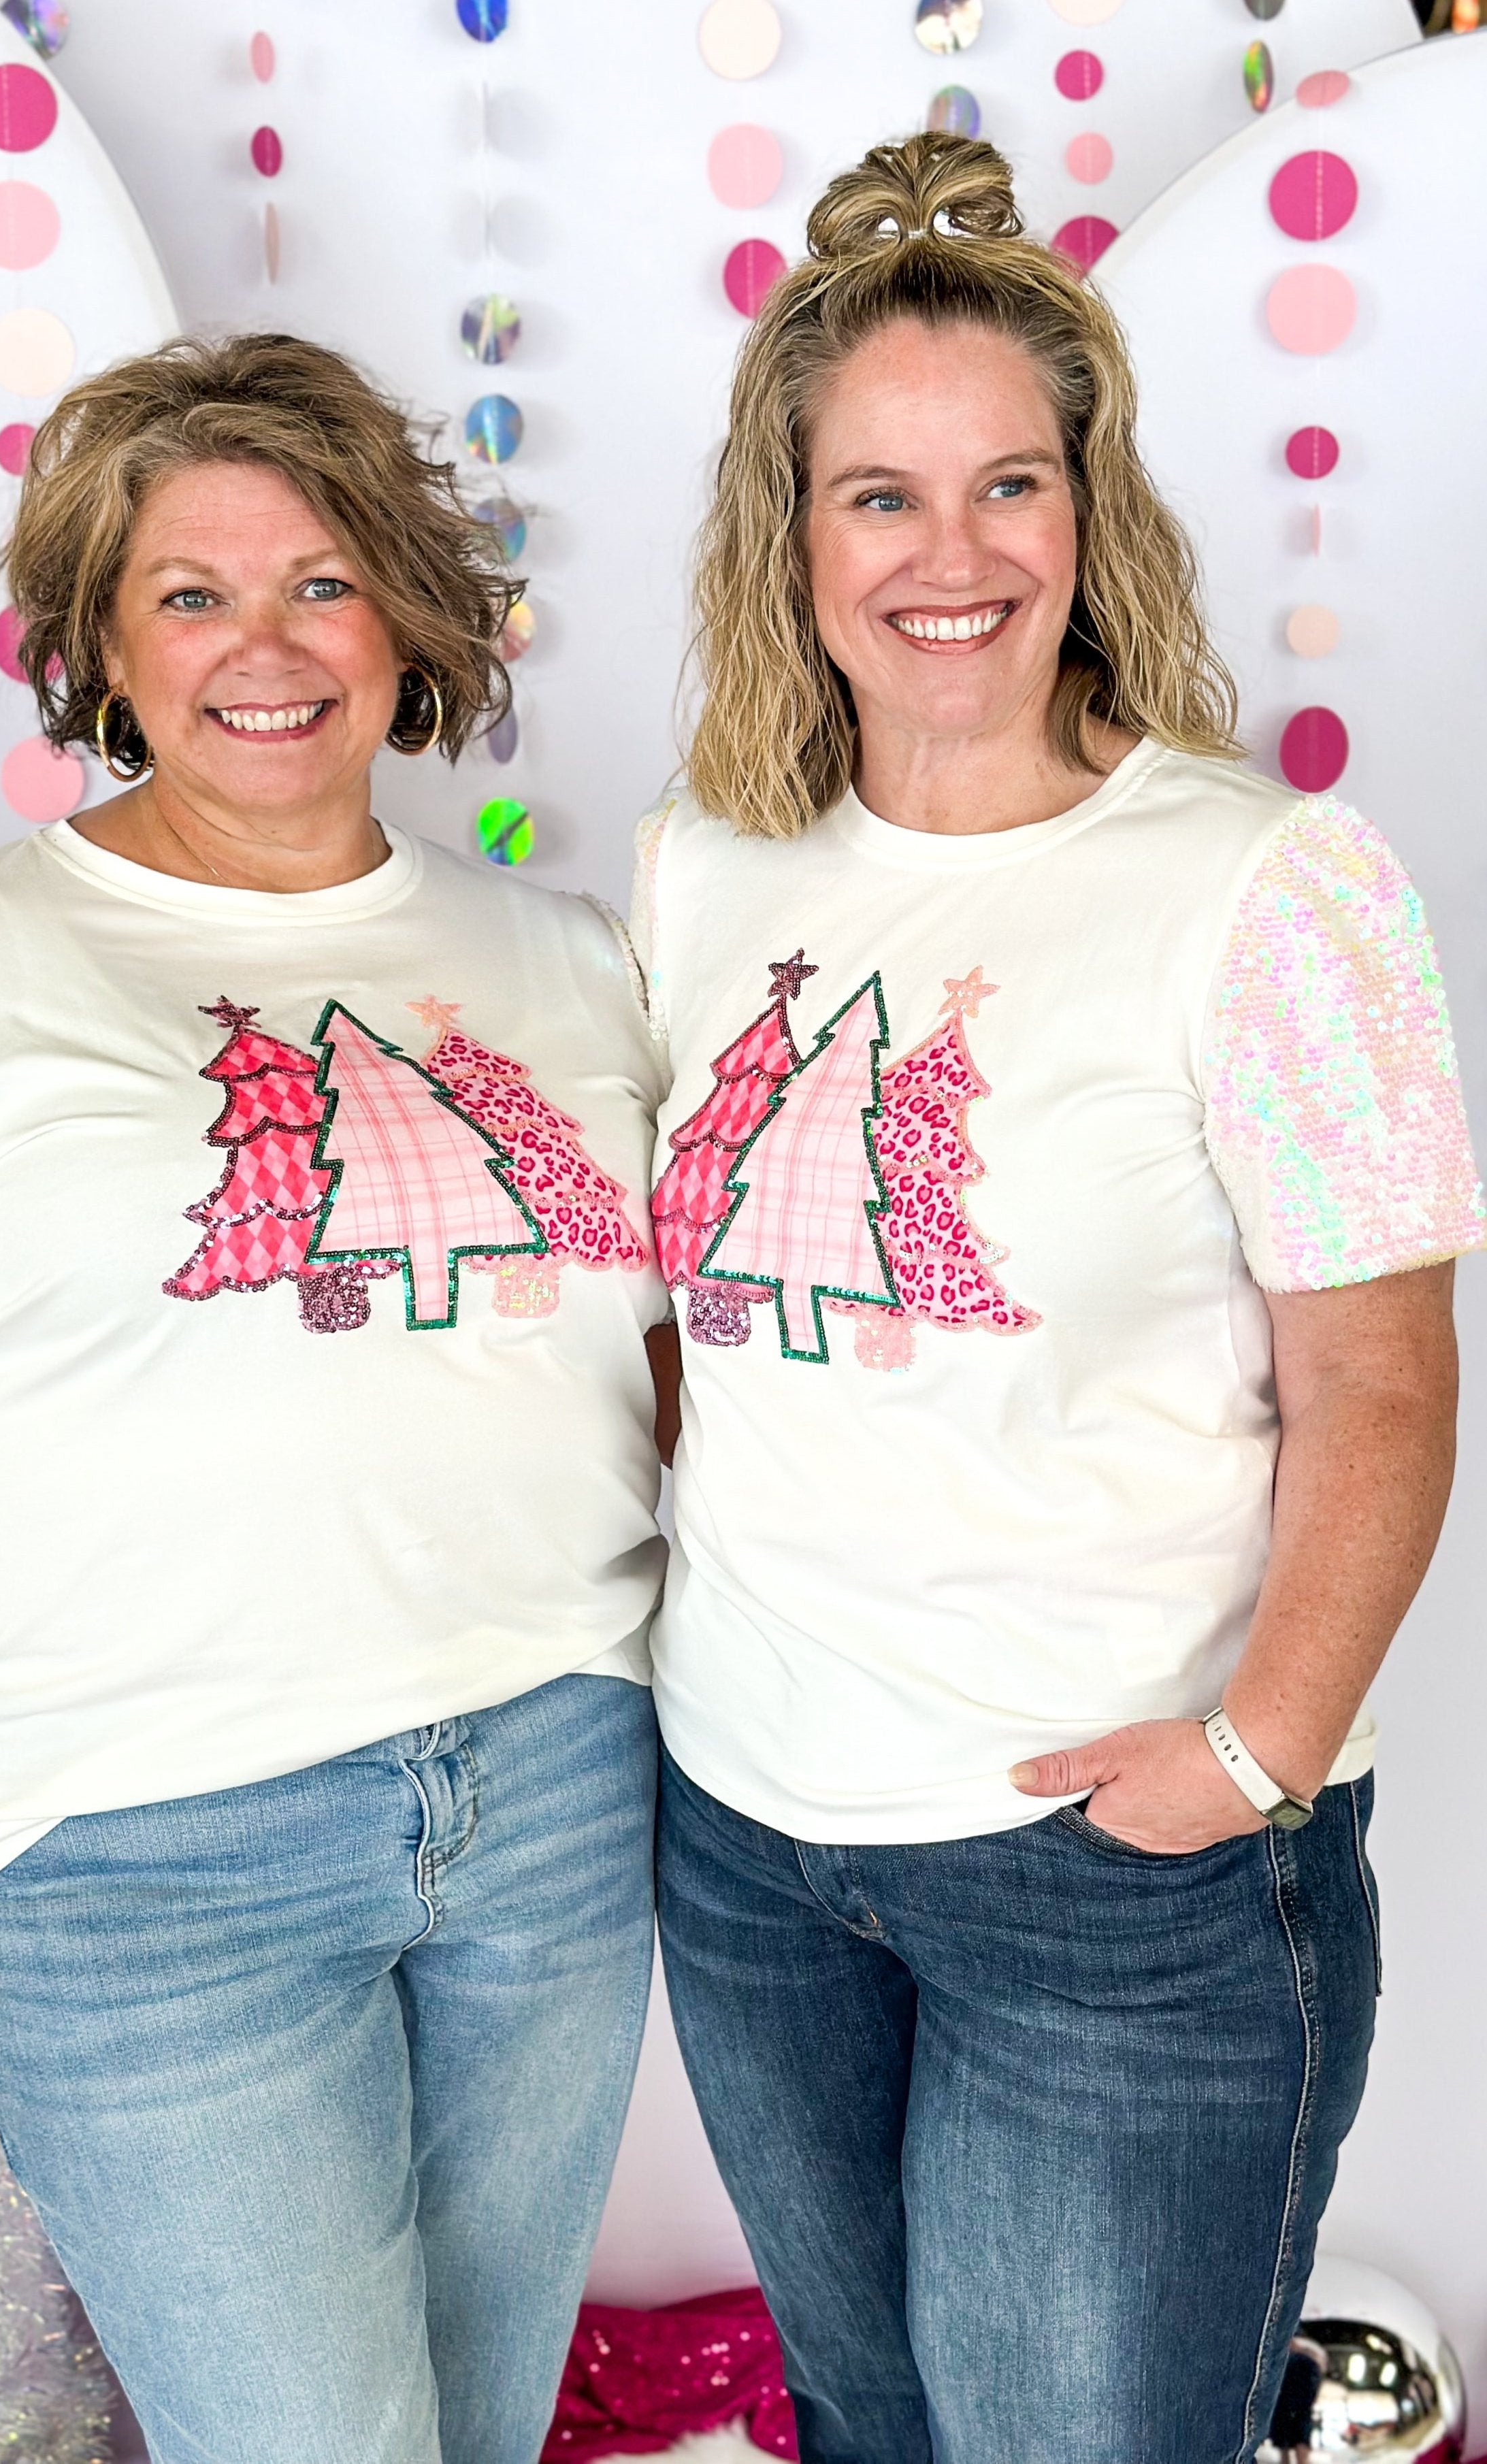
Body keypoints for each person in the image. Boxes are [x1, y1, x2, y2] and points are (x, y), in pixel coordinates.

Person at [0, 333, 674, 2464]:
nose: (266, 646)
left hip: (548, 1795)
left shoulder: (576, 960)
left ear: (413, 623)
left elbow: (675, 1393)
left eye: (324, 583)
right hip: (129, 1858)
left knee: (474, 2428)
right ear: (96, 646)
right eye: (189, 594)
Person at [634, 135, 1484, 2462]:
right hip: (746, 1839)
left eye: (1010, 483)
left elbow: (1379, 1378)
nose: (951, 556)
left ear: (1089, 518)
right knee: (868, 2426)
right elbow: (668, 1339)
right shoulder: (700, 868)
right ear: (788, 540)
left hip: (1110, 1885)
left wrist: (1247, 1759)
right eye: (879, 498)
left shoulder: (1263, 886)